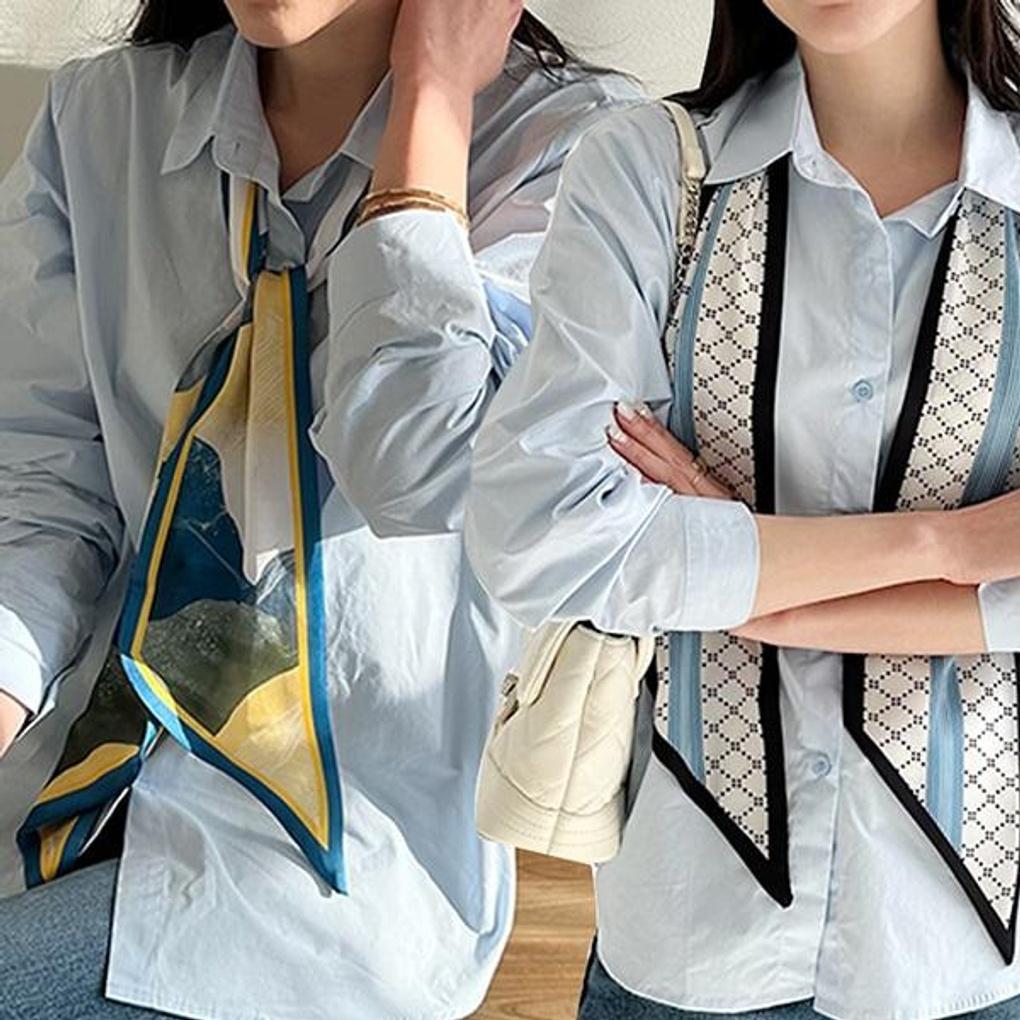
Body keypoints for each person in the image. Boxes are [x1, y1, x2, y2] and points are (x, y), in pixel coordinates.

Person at [0, 1, 641, 1017]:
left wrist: (433, 102)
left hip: (330, 870)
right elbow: (43, 493)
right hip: (61, 788)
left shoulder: (582, 148)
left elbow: (419, 468)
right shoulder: (103, 117)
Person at [464, 1, 1020, 1017]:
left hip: (966, 948)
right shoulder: (647, 169)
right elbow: (539, 533)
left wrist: (733, 570)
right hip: (690, 927)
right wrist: (949, 544)